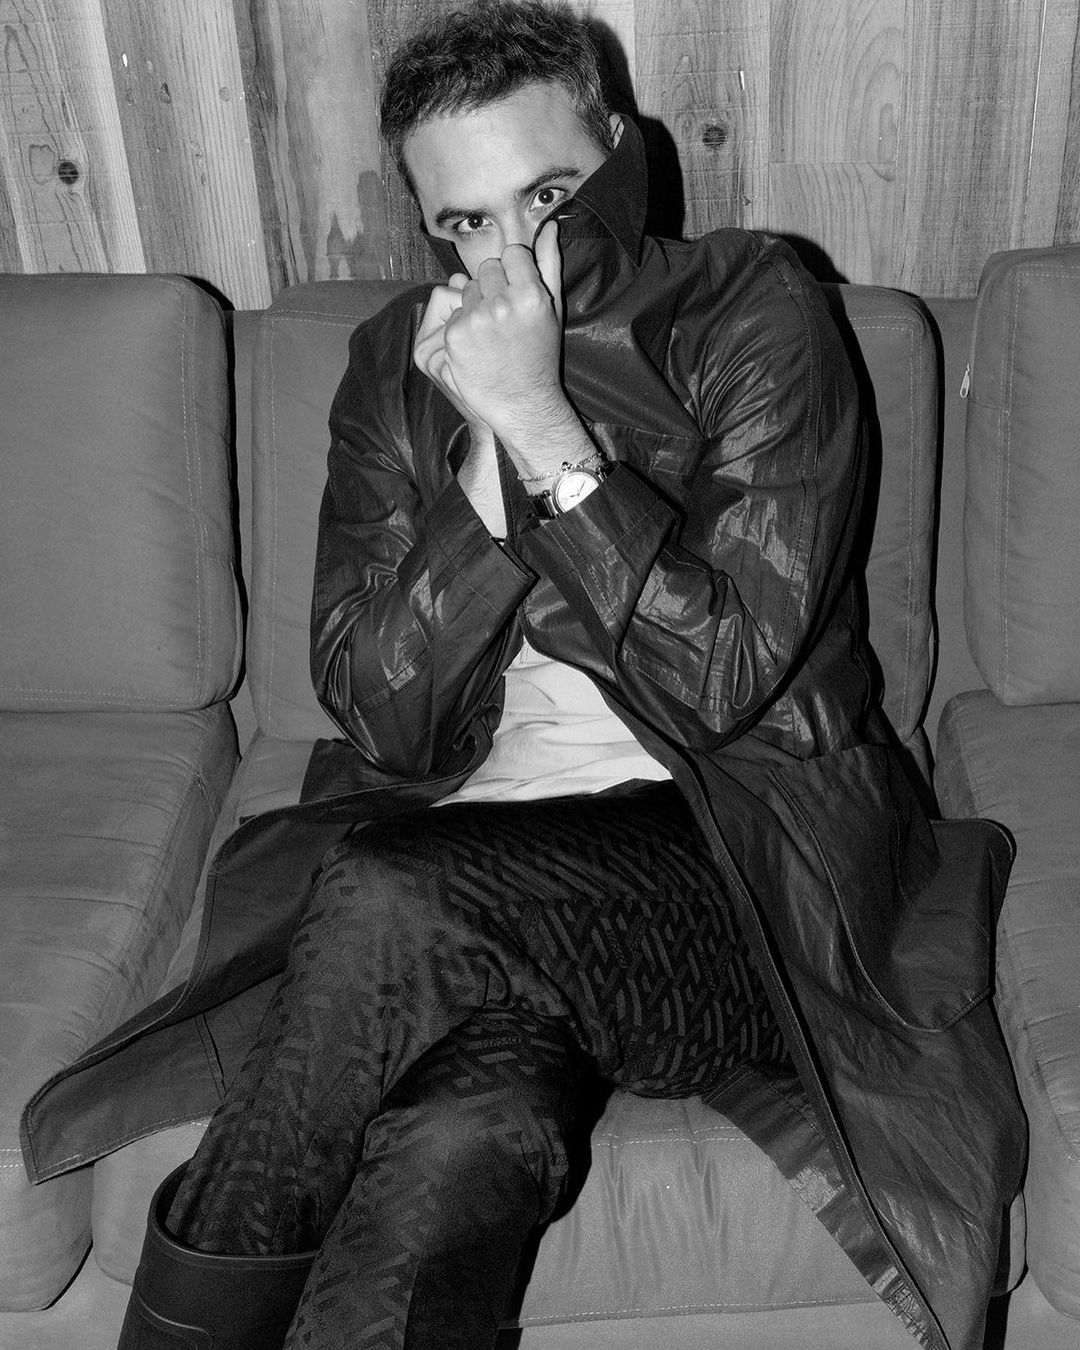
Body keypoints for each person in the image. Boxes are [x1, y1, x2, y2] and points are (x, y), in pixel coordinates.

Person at [21, 4, 1024, 1349]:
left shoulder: (751, 308)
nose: (511, 255)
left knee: (383, 886)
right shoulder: (398, 364)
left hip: (748, 875)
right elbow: (383, 717)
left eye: (547, 196)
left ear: (620, 150)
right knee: (466, 1131)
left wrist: (547, 427)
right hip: (481, 864)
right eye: (465, 222)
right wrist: (485, 474)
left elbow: (723, 677)